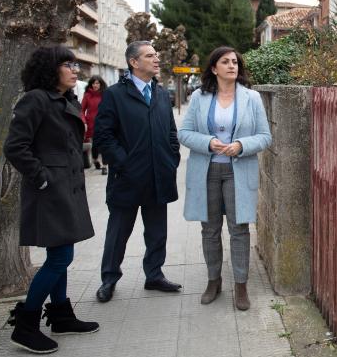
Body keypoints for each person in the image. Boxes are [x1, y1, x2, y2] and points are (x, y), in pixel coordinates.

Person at [3, 46, 99, 354]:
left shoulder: (64, 99)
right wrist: (42, 177)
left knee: (60, 254)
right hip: (48, 192)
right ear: (50, 69)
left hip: (65, 189)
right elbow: (15, 147)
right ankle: (26, 324)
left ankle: (60, 315)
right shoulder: (36, 100)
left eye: (75, 65)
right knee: (60, 258)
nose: (75, 70)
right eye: (67, 65)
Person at [178, 46, 271, 309]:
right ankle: (213, 280)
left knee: (239, 228)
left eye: (235, 62)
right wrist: (208, 142)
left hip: (237, 171)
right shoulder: (199, 97)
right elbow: (184, 134)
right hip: (206, 171)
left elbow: (265, 136)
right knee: (209, 229)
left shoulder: (251, 97)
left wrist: (241, 145)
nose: (232, 65)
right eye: (225, 61)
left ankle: (241, 286)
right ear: (214, 68)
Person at [93, 41, 182, 302]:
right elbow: (103, 136)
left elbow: (170, 131)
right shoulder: (114, 94)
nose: (157, 59)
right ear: (134, 62)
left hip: (159, 176)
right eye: (150, 56)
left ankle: (154, 275)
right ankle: (109, 279)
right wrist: (124, 164)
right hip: (127, 179)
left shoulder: (161, 93)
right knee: (118, 231)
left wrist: (171, 158)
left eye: (157, 54)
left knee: (157, 232)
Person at [81, 75, 107, 175]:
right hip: (92, 125)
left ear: (101, 84)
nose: (95, 85)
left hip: (104, 124)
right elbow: (82, 110)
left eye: (97, 83)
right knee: (95, 146)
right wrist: (83, 121)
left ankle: (105, 166)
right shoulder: (87, 95)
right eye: (93, 83)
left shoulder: (105, 94)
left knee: (105, 145)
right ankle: (95, 160)